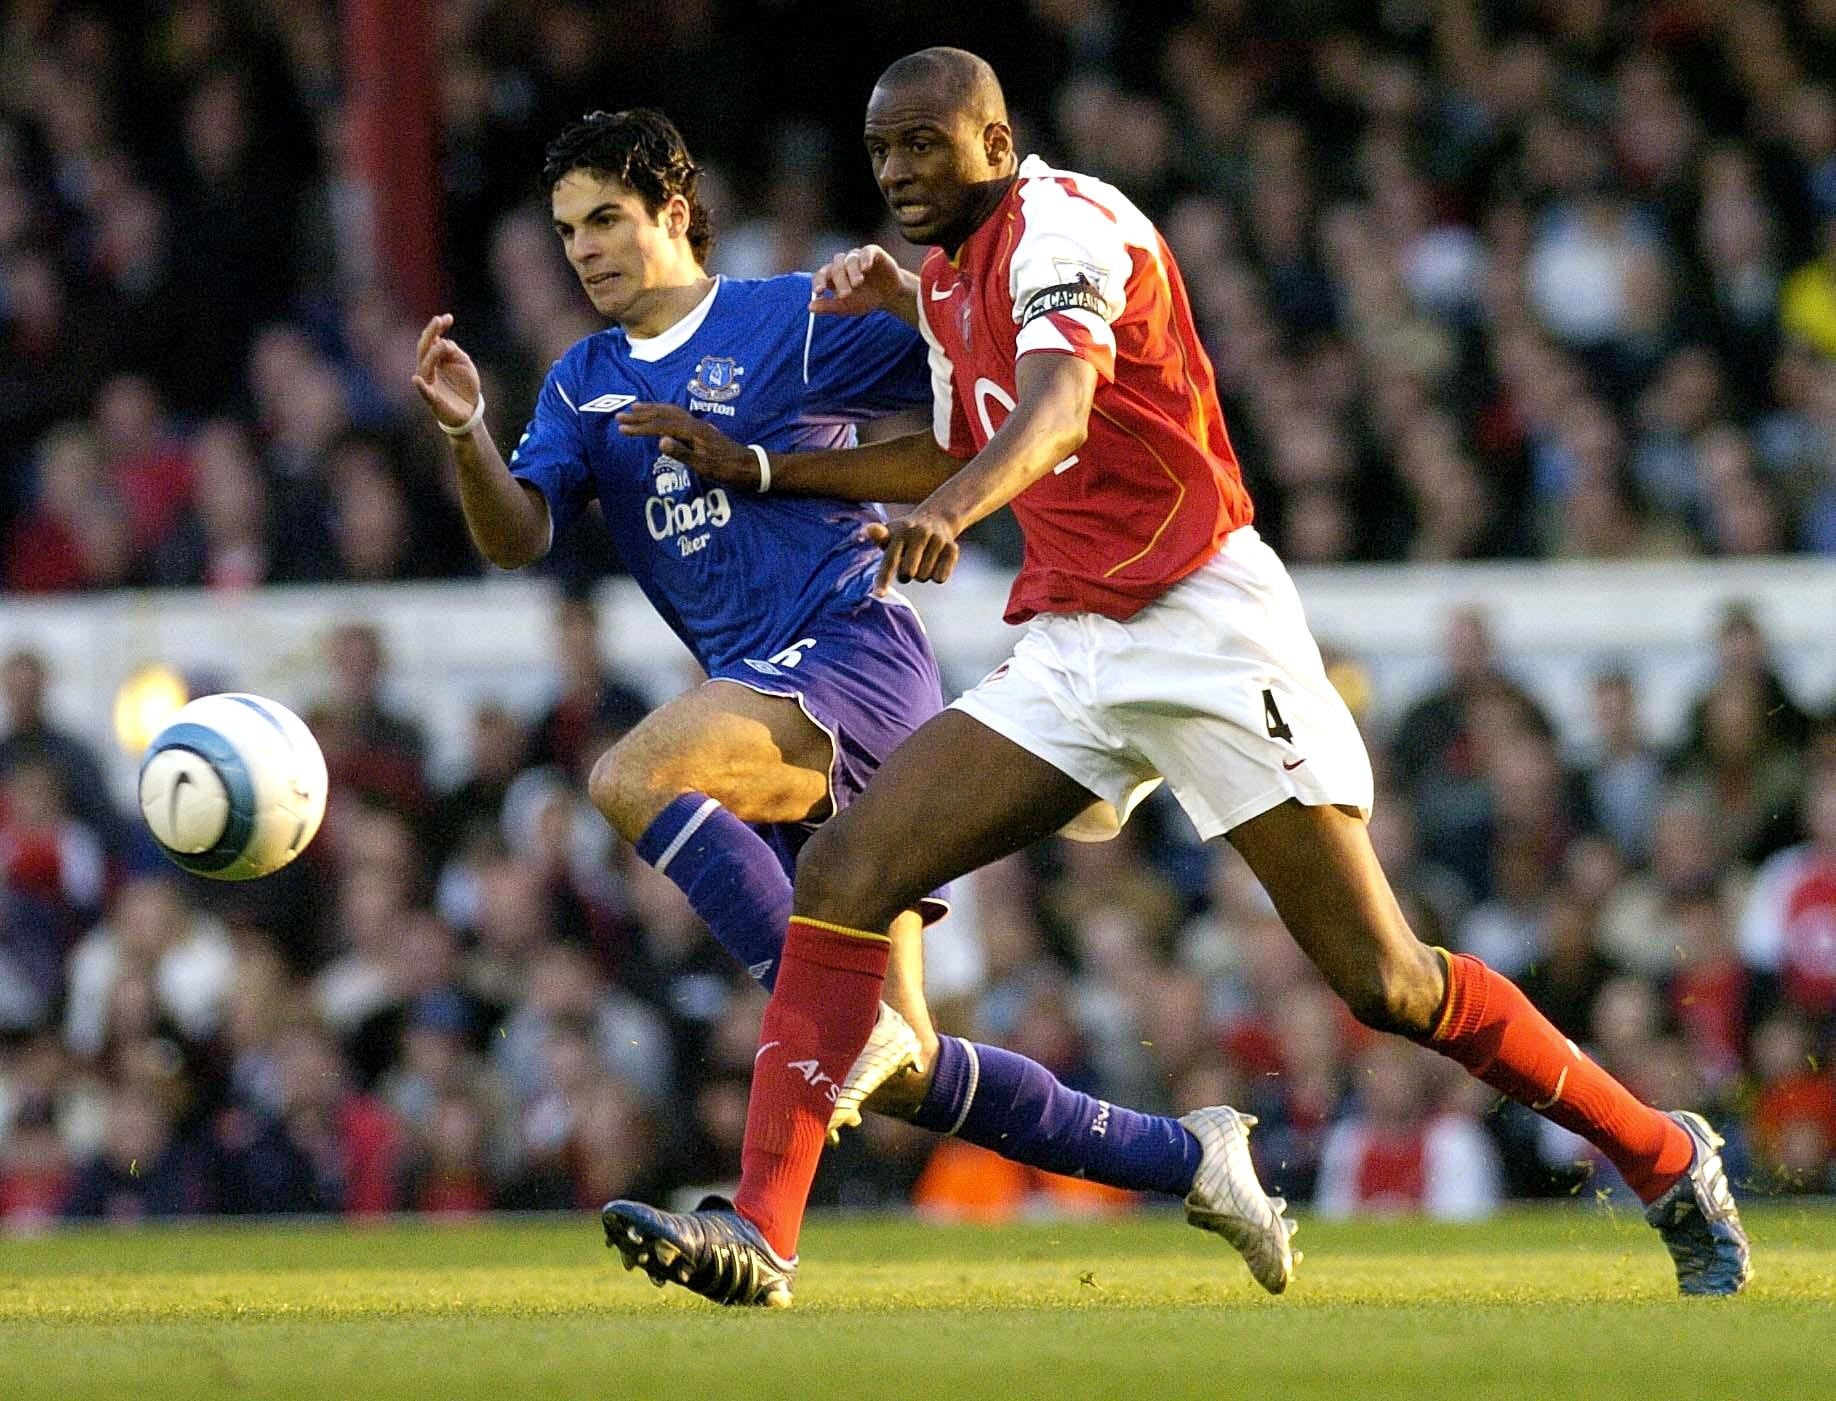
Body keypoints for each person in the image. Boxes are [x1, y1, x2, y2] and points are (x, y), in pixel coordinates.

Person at [603, 48, 1750, 1305]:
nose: (898, 171)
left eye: (924, 144)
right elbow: (959, 435)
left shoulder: (1067, 226)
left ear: (996, 141)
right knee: (845, 869)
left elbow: (1057, 416)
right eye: (881, 151)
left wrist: (956, 507)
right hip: (1078, 646)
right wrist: (769, 470)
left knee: (1387, 982)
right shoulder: (947, 281)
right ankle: (762, 1233)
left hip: (1207, 625)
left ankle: (1663, 1153)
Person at [413, 108, 1291, 1287]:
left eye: (607, 220)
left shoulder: (788, 318)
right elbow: (519, 538)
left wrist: (892, 404)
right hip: (760, 706)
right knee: (913, 1065)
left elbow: (962, 411)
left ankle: (802, 1056)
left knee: (630, 776)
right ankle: (1191, 1157)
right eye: (568, 231)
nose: (584, 250)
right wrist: (468, 431)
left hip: (851, 657)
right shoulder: (582, 386)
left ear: (674, 213)